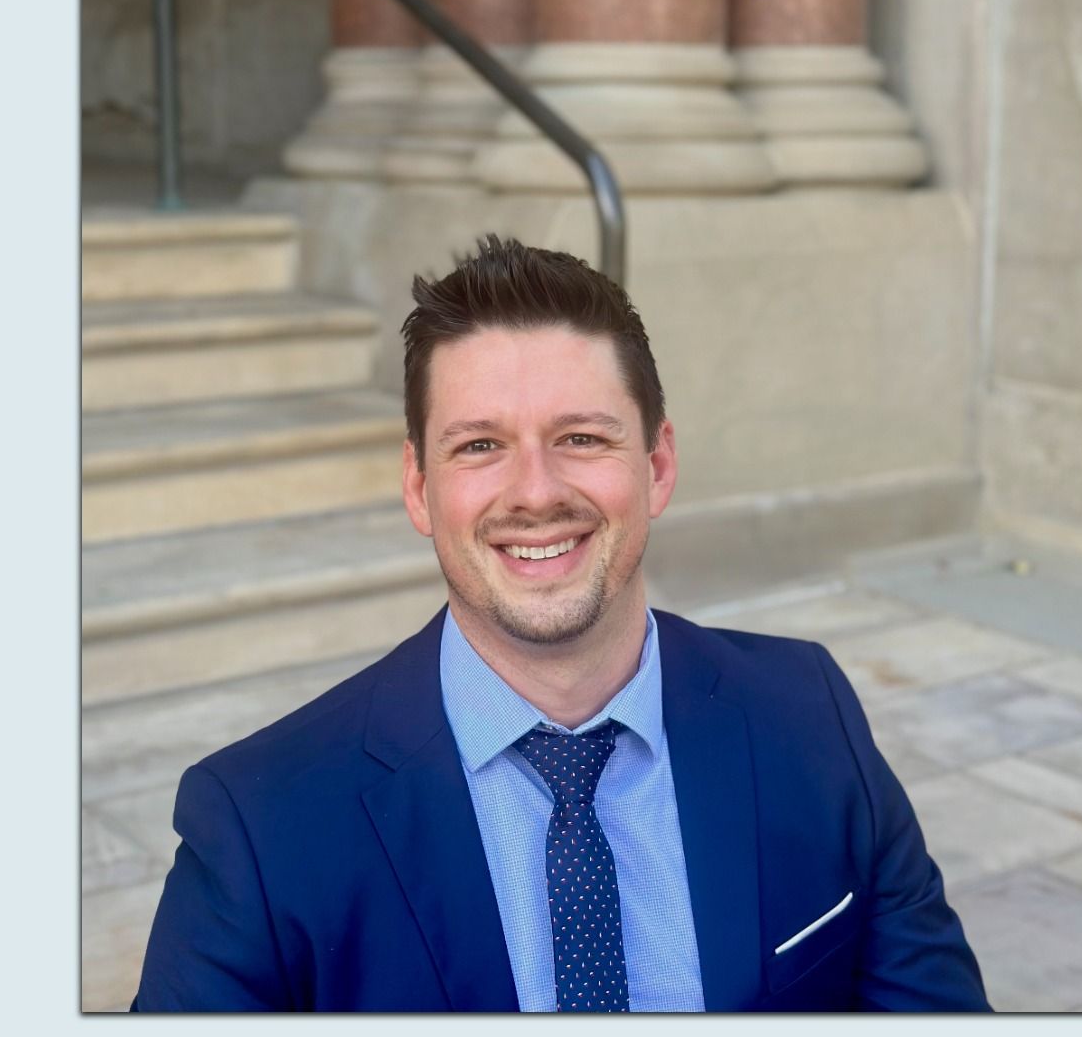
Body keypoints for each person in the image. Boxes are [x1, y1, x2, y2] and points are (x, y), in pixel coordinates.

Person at [131, 235, 990, 1012]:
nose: (536, 493)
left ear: (656, 465)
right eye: (478, 446)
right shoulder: (259, 824)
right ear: (417, 486)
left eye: (580, 437)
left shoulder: (812, 715)